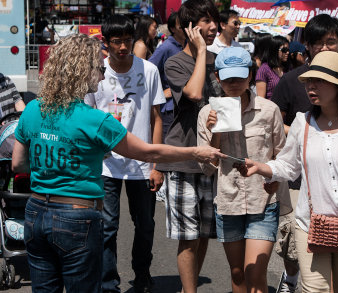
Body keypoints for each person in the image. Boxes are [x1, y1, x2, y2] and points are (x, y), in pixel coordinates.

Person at [11, 33, 223, 293]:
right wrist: (195, 152)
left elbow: (18, 164)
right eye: (99, 69)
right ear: (82, 71)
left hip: (35, 213)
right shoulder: (95, 120)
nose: (102, 77)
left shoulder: (33, 109)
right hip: (77, 217)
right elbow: (149, 152)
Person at [237, 51, 338, 293]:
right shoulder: (302, 122)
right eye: (308, 81)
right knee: (313, 289)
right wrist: (263, 167)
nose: (311, 86)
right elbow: (289, 165)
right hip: (310, 221)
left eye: (319, 81)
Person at [271, 14, 338, 293]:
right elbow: (277, 123)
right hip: (302, 178)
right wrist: (309, 135)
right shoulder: (291, 81)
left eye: (331, 42)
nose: (325, 49)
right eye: (317, 43)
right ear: (308, 47)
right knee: (295, 244)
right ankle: (292, 278)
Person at [197, 46, 290, 293]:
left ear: (250, 75)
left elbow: (282, 155)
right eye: (227, 78)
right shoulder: (208, 113)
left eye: (239, 76)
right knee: (237, 273)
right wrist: (216, 132)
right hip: (229, 202)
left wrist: (275, 177)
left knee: (254, 271)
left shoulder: (268, 110)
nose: (234, 83)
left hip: (263, 200)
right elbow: (207, 168)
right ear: (217, 78)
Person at [84, 15, 164, 293]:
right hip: (105, 165)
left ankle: (142, 274)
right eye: (116, 42)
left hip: (142, 164)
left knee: (145, 224)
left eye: (127, 41)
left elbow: (157, 118)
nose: (122, 47)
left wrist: (157, 164)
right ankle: (108, 284)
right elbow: (89, 119)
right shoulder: (97, 72)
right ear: (105, 43)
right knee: (107, 227)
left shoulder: (149, 70)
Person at [155, 0, 221, 292]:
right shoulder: (175, 62)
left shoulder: (219, 60)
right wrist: (202, 53)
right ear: (189, 27)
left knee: (205, 232)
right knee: (188, 234)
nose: (213, 27)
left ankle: (187, 287)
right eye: (205, 21)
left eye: (214, 21)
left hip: (214, 158)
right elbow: (194, 93)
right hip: (183, 157)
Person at [149, 12, 186, 141]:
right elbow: (148, 70)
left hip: (184, 106)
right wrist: (160, 93)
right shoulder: (166, 48)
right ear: (173, 29)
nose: (186, 29)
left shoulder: (188, 45)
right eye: (181, 26)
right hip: (169, 109)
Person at [255, 35, 289, 100]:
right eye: (284, 50)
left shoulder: (288, 68)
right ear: (275, 49)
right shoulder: (264, 69)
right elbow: (261, 99)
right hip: (270, 108)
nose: (287, 52)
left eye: (288, 50)